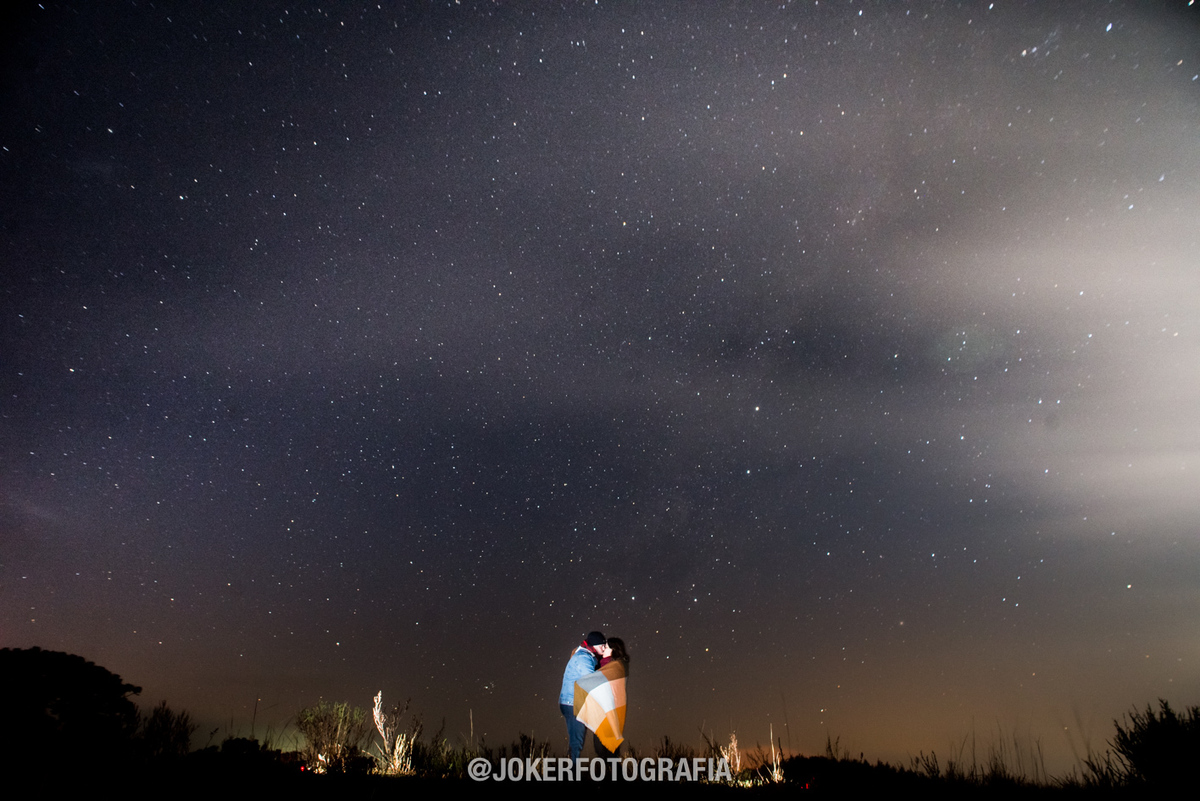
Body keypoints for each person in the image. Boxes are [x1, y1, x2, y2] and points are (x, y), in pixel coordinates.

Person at [575, 636, 629, 758]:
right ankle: (613, 774)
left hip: (611, 711)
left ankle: (615, 775)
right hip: (601, 712)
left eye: (607, 646)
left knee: (609, 752)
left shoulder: (617, 666)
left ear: (614, 650)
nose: (603, 648)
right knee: (600, 750)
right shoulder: (599, 663)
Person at [560, 630, 605, 761]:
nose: (604, 647)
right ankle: (572, 772)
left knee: (577, 741)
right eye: (601, 645)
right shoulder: (584, 659)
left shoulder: (586, 656)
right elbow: (592, 682)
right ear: (594, 645)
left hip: (574, 703)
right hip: (573, 704)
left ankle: (571, 768)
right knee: (576, 743)